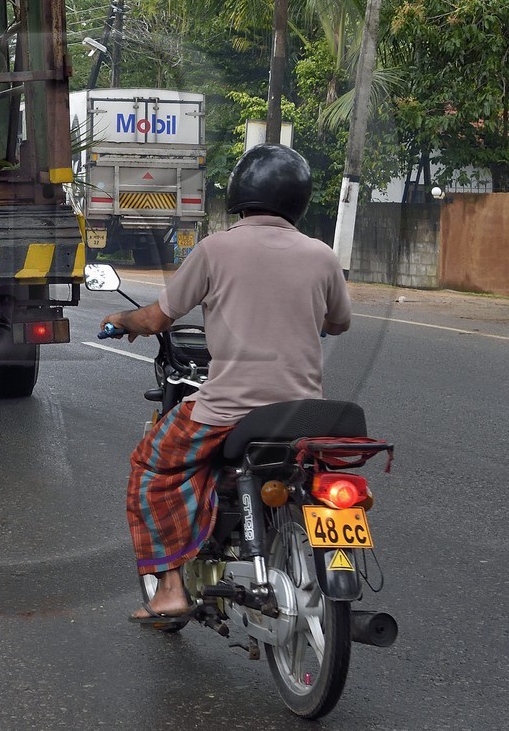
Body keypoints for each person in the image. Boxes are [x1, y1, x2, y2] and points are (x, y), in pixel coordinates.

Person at [100, 144, 352, 627]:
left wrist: (123, 319)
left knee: (151, 466)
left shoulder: (215, 248)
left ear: (240, 194)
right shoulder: (323, 257)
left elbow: (157, 317)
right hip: (303, 411)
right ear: (298, 199)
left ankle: (170, 590)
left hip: (229, 409)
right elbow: (337, 324)